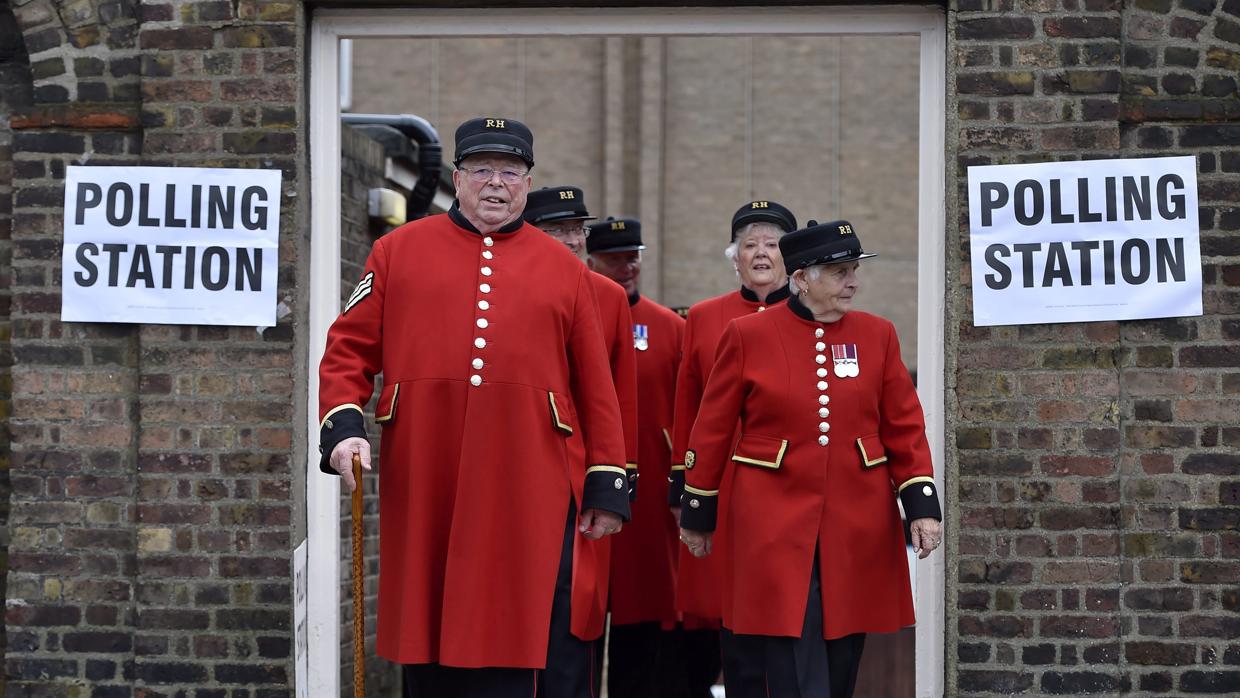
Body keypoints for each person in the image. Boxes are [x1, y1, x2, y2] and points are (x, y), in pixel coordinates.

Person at [317, 117, 630, 698]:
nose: (495, 183)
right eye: (481, 169)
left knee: (517, 624)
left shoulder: (566, 270)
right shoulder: (396, 250)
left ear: (527, 182)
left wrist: (607, 483)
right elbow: (348, 347)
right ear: (456, 179)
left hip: (530, 471)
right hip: (425, 461)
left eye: (509, 171)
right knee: (426, 625)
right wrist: (343, 424)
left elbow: (596, 386)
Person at [678, 219, 943, 698]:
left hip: (855, 520)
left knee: (843, 648)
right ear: (801, 278)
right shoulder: (746, 335)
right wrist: (699, 510)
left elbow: (904, 424)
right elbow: (712, 429)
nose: (853, 282)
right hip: (773, 520)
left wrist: (921, 504)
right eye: (840, 271)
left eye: (854, 270)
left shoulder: (877, 335)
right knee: (788, 646)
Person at [668, 200, 799, 696]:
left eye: (772, 244)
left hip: (789, 485)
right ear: (735, 258)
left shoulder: (809, 315)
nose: (761, 253)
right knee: (731, 613)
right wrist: (683, 484)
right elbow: (688, 406)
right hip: (723, 485)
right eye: (750, 245)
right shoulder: (704, 317)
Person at [585, 217, 685, 698]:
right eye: (616, 257)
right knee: (578, 610)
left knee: (643, 612)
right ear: (592, 260)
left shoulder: (669, 326)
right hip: (584, 486)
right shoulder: (574, 310)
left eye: (634, 255)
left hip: (646, 495)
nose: (628, 266)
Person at [524, 186, 640, 494]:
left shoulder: (611, 296)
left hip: (588, 456)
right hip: (522, 446)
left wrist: (621, 466)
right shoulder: (508, 287)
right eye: (559, 230)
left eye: (578, 229)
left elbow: (621, 390)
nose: (574, 240)